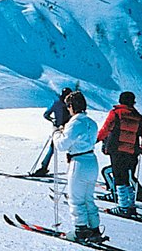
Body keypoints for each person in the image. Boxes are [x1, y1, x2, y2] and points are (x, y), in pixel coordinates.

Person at [53, 91, 104, 243]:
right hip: (92, 161)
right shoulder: (91, 122)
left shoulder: (75, 122)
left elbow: (62, 145)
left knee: (75, 198)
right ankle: (94, 228)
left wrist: (56, 133)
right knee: (88, 197)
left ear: (71, 106)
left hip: (79, 163)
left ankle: (80, 229)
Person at [97, 91, 142, 216]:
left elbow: (106, 129)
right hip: (132, 152)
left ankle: (123, 207)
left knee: (119, 178)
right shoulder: (138, 117)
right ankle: (130, 206)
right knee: (127, 177)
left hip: (117, 150)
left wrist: (96, 140)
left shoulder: (115, 114)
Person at [32, 87, 72, 177]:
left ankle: (44, 167)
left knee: (53, 148)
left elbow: (46, 114)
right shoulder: (65, 104)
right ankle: (73, 168)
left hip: (61, 128)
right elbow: (46, 114)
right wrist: (53, 120)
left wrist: (53, 120)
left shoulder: (59, 103)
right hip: (64, 128)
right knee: (69, 147)